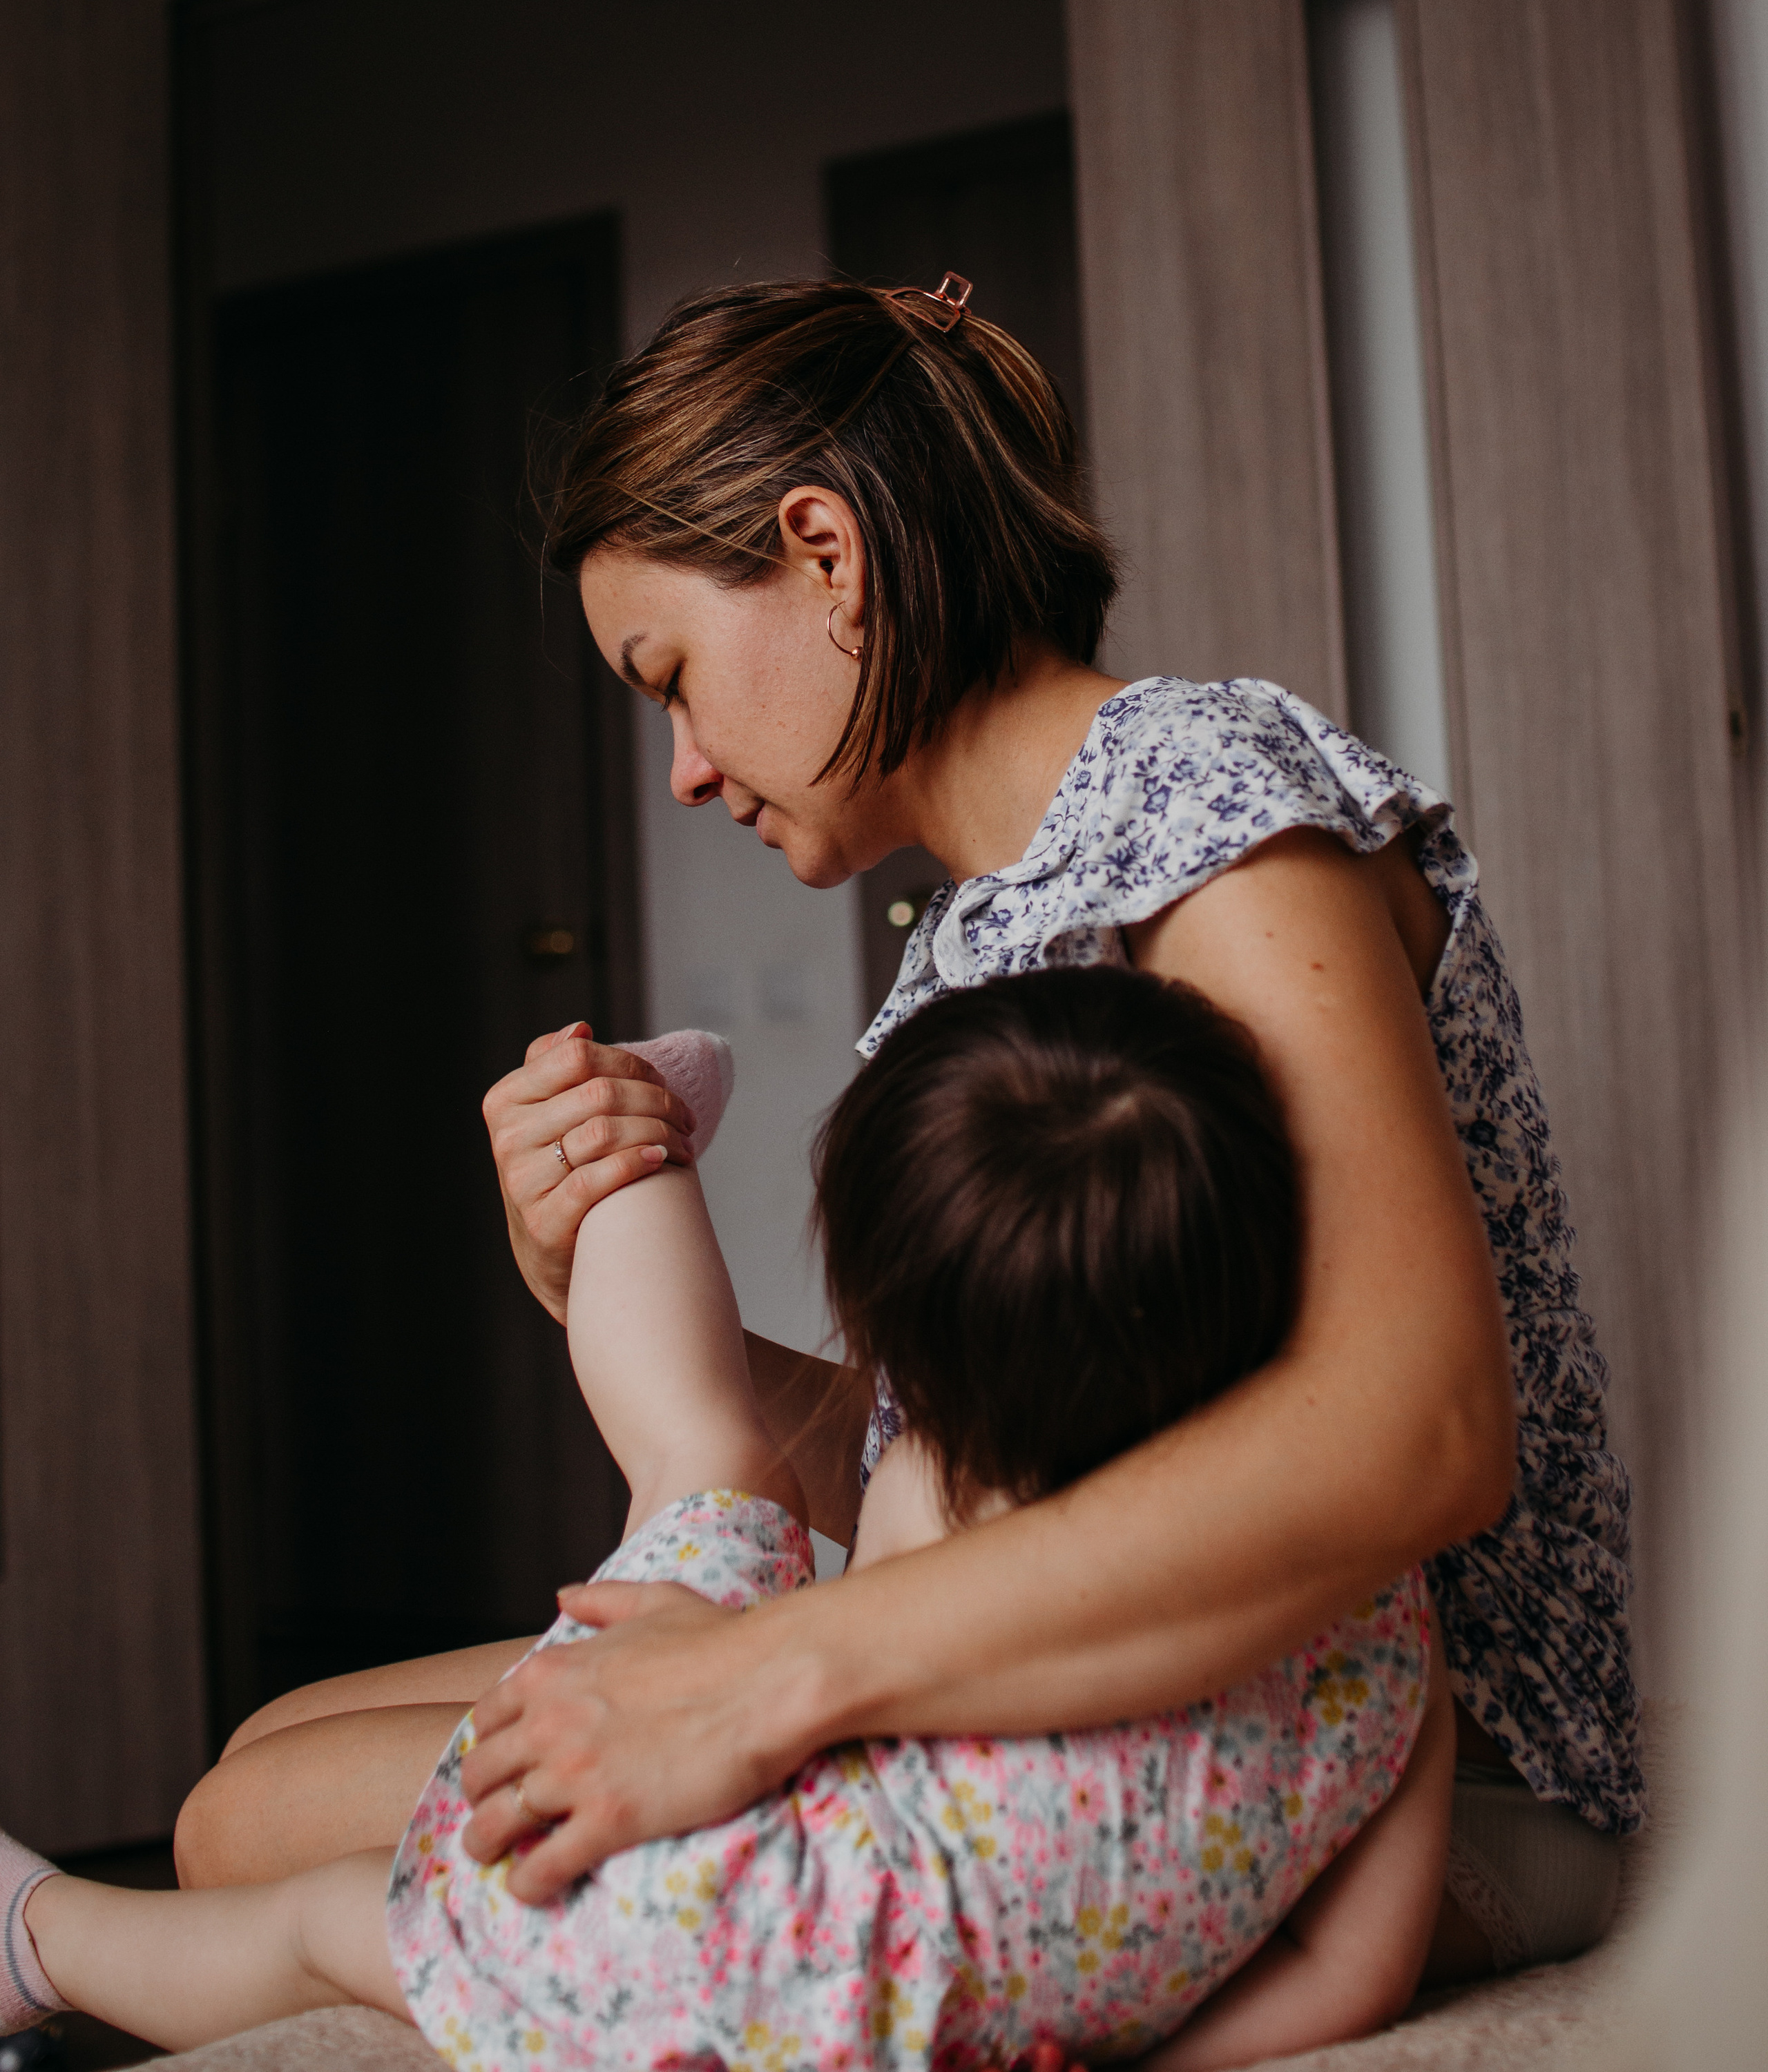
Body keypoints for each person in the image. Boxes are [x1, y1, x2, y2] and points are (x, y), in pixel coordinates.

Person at [177, 277, 1638, 1986]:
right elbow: (951, 1459)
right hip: (1114, 1663)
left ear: (826, 553)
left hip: (1337, 1754)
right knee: (261, 1764)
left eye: (672, 679)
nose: (685, 772)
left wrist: (771, 1673)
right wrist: (604, 1283)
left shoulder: (1205, 796)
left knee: (248, 1834)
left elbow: (1421, 1428)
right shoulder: (965, 942)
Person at [1, 991, 1451, 2065]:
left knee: (711, 1459)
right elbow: (1352, 1974)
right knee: (333, 1921)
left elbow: (832, 1716)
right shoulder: (1379, 1605)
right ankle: (40, 1930)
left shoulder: (932, 1488)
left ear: (902, 1345)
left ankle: (625, 1136)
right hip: (733, 2014)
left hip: (676, 1888)